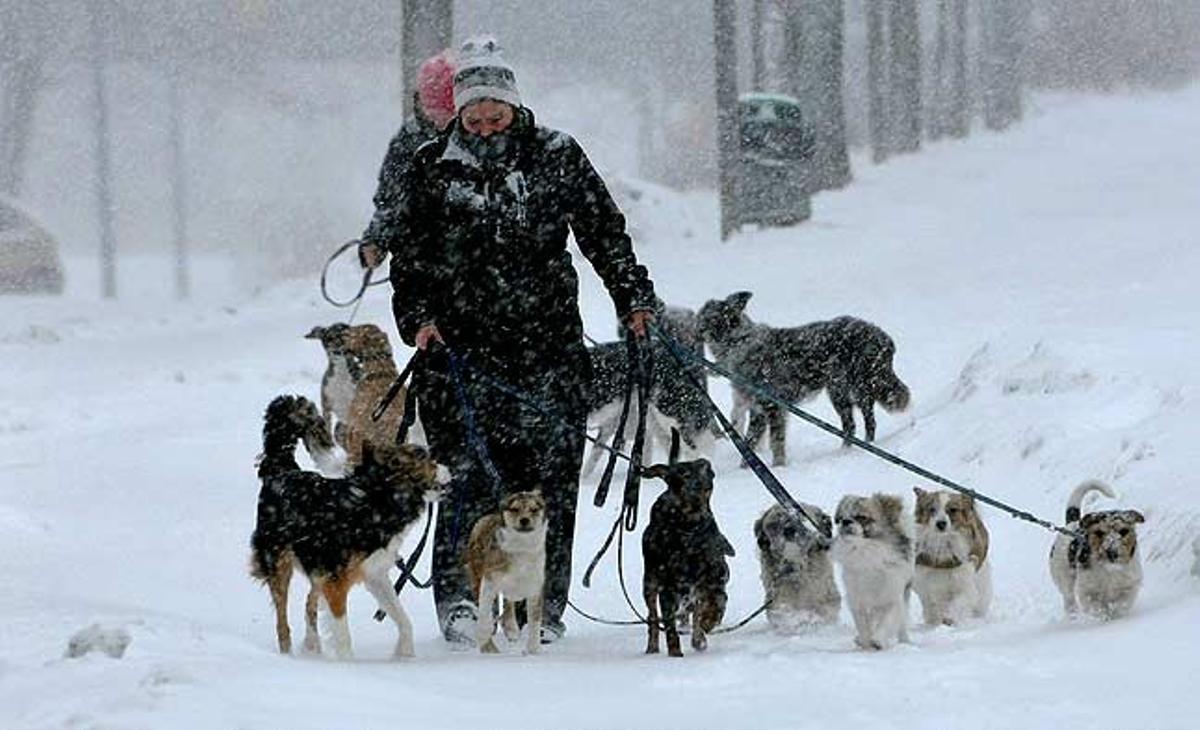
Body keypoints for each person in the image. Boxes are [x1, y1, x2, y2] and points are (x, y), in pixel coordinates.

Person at [377, 36, 657, 646]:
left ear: (514, 105)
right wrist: (418, 318)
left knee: (549, 482)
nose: (483, 124)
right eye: (472, 115)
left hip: (547, 347)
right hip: (458, 353)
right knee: (465, 479)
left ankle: (542, 607)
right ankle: (459, 598)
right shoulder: (431, 166)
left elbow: (604, 234)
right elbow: (411, 258)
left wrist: (633, 296)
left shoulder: (557, 155)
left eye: (494, 113)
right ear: (457, 111)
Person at [358, 50, 457, 270]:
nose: (440, 122)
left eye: (449, 113)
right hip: (422, 258)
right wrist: (378, 237)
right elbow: (391, 196)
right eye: (434, 112)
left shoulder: (481, 134)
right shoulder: (410, 139)